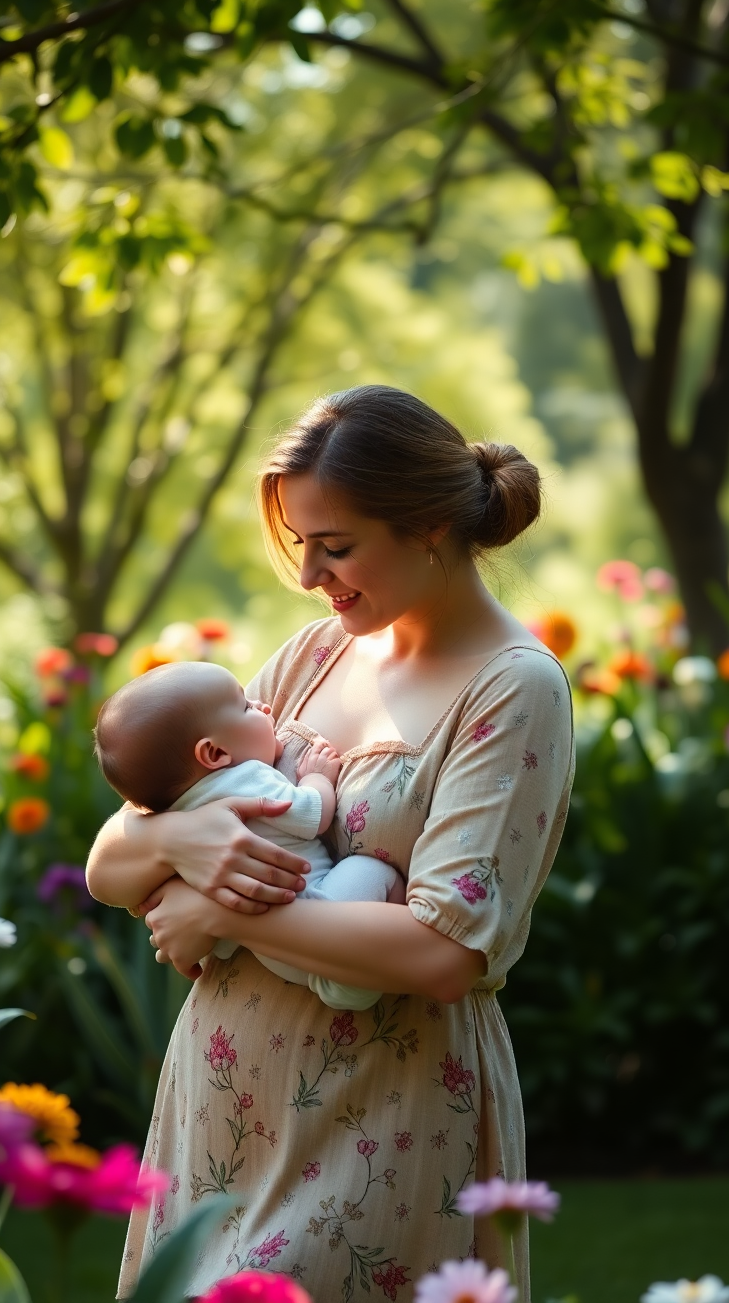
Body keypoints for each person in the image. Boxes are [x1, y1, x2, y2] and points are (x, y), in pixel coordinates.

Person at [86, 385, 575, 1303]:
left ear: (428, 525)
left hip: (378, 1114)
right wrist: (186, 839)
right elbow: (110, 864)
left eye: (336, 546)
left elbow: (443, 952)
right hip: (223, 1103)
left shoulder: (513, 689)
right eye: (301, 544)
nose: (311, 575)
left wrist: (217, 900)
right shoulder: (313, 656)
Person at [92, 659, 404, 1008]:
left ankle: (340, 981)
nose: (263, 705)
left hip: (269, 952)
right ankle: (350, 984)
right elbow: (312, 814)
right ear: (215, 753)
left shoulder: (173, 809)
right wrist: (316, 778)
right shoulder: (248, 777)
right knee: (375, 872)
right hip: (317, 912)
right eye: (246, 707)